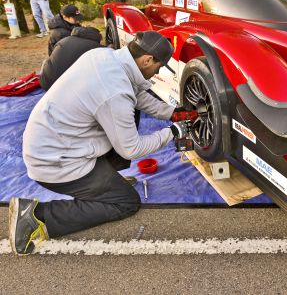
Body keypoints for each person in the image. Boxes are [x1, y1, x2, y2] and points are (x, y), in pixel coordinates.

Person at [8, 31, 196, 255]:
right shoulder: (115, 92)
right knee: (125, 202)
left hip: (56, 140)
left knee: (125, 116)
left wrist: (172, 114)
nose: (157, 72)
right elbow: (131, 148)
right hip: (55, 162)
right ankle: (36, 216)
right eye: (159, 67)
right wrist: (173, 132)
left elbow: (139, 96)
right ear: (147, 60)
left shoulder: (104, 56)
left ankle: (105, 181)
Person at [40, 26, 103, 91]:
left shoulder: (64, 40)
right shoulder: (96, 47)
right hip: (64, 90)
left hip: (45, 82)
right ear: (97, 37)